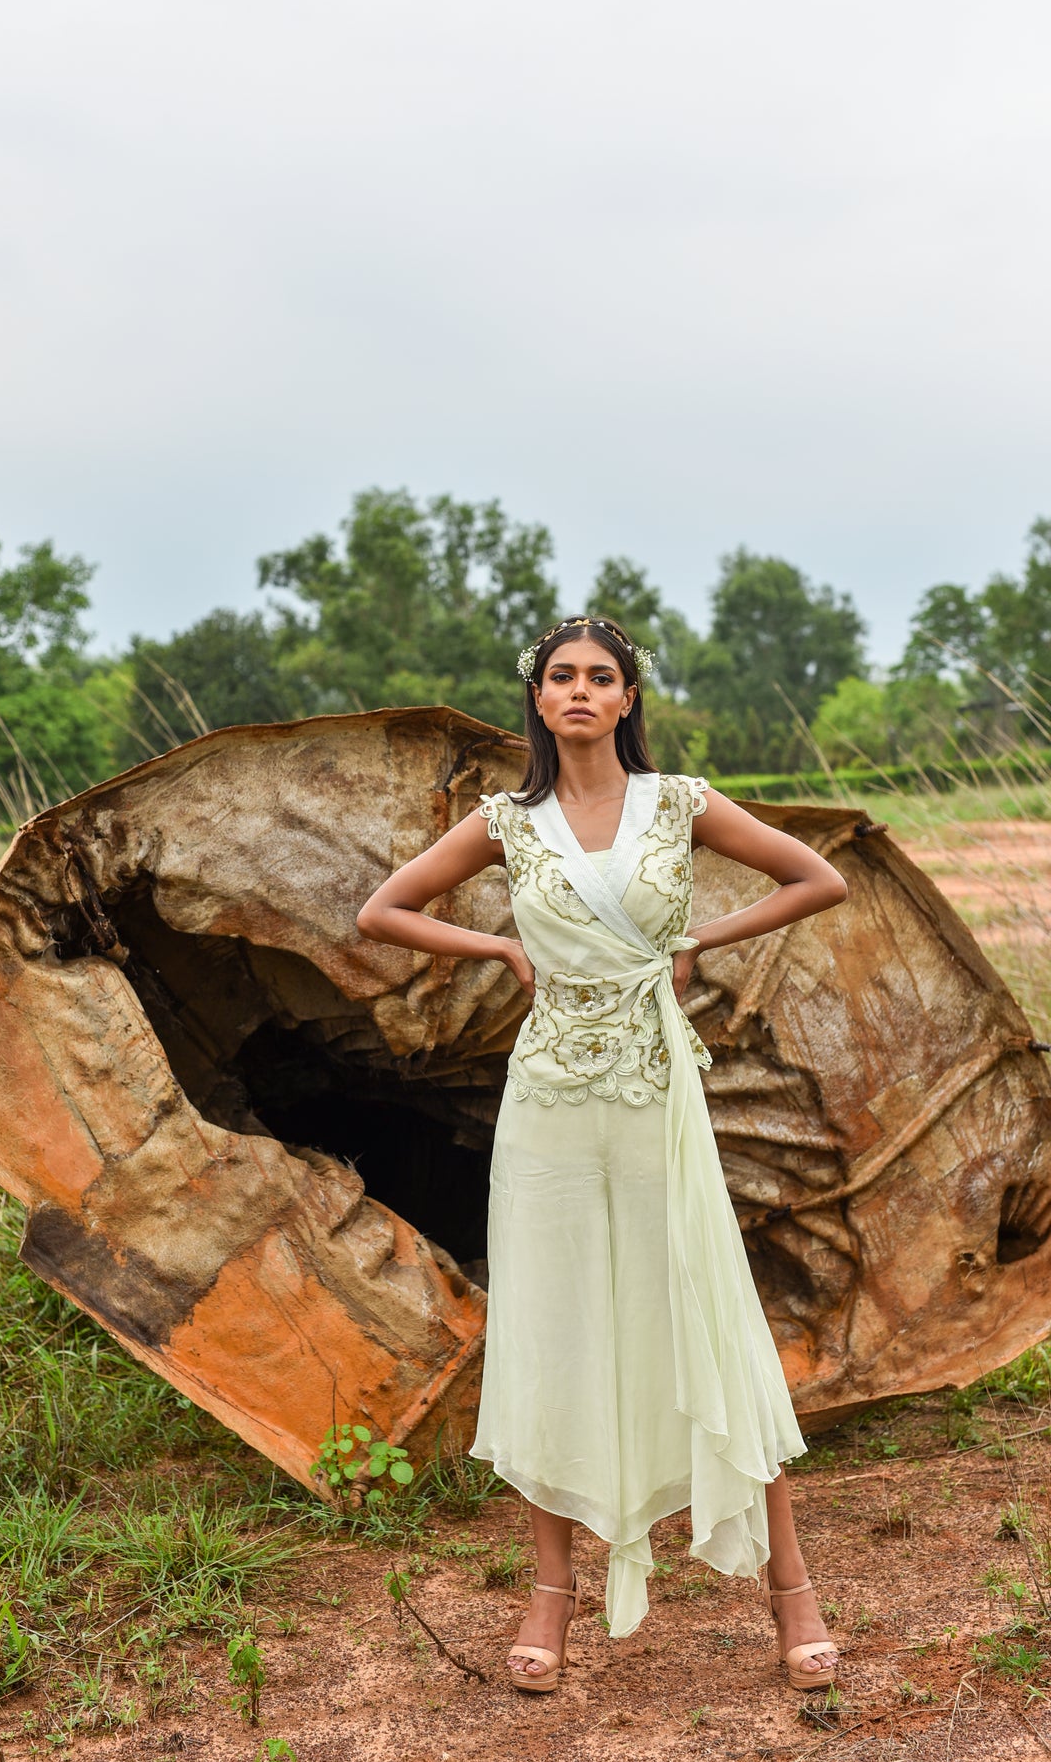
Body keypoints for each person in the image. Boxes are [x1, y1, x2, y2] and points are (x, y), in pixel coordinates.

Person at [356, 614, 846, 1695]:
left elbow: (819, 879)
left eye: (603, 677)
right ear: (537, 699)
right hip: (550, 1101)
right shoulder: (506, 822)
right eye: (562, 676)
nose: (581, 690)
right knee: (555, 1326)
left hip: (657, 1092)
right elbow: (381, 911)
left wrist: (695, 941)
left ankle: (792, 1593)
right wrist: (495, 943)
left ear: (628, 700)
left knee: (707, 1306)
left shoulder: (681, 805)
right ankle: (551, 1596)